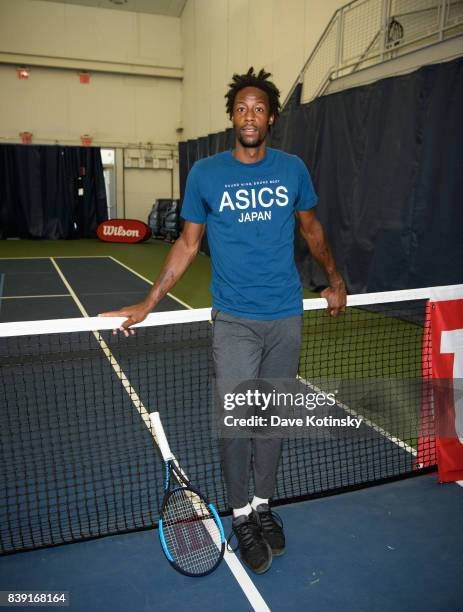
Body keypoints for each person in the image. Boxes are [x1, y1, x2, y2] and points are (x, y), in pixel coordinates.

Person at [100, 67, 346, 574]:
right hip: (234, 319)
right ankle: (239, 516)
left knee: (271, 421)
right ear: (232, 117)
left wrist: (334, 279)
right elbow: (188, 244)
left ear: (271, 116)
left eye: (259, 108)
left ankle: (263, 506)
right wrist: (149, 301)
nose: (250, 116)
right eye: (241, 108)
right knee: (237, 423)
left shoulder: (292, 169)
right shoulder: (207, 174)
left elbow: (313, 230)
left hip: (285, 315)